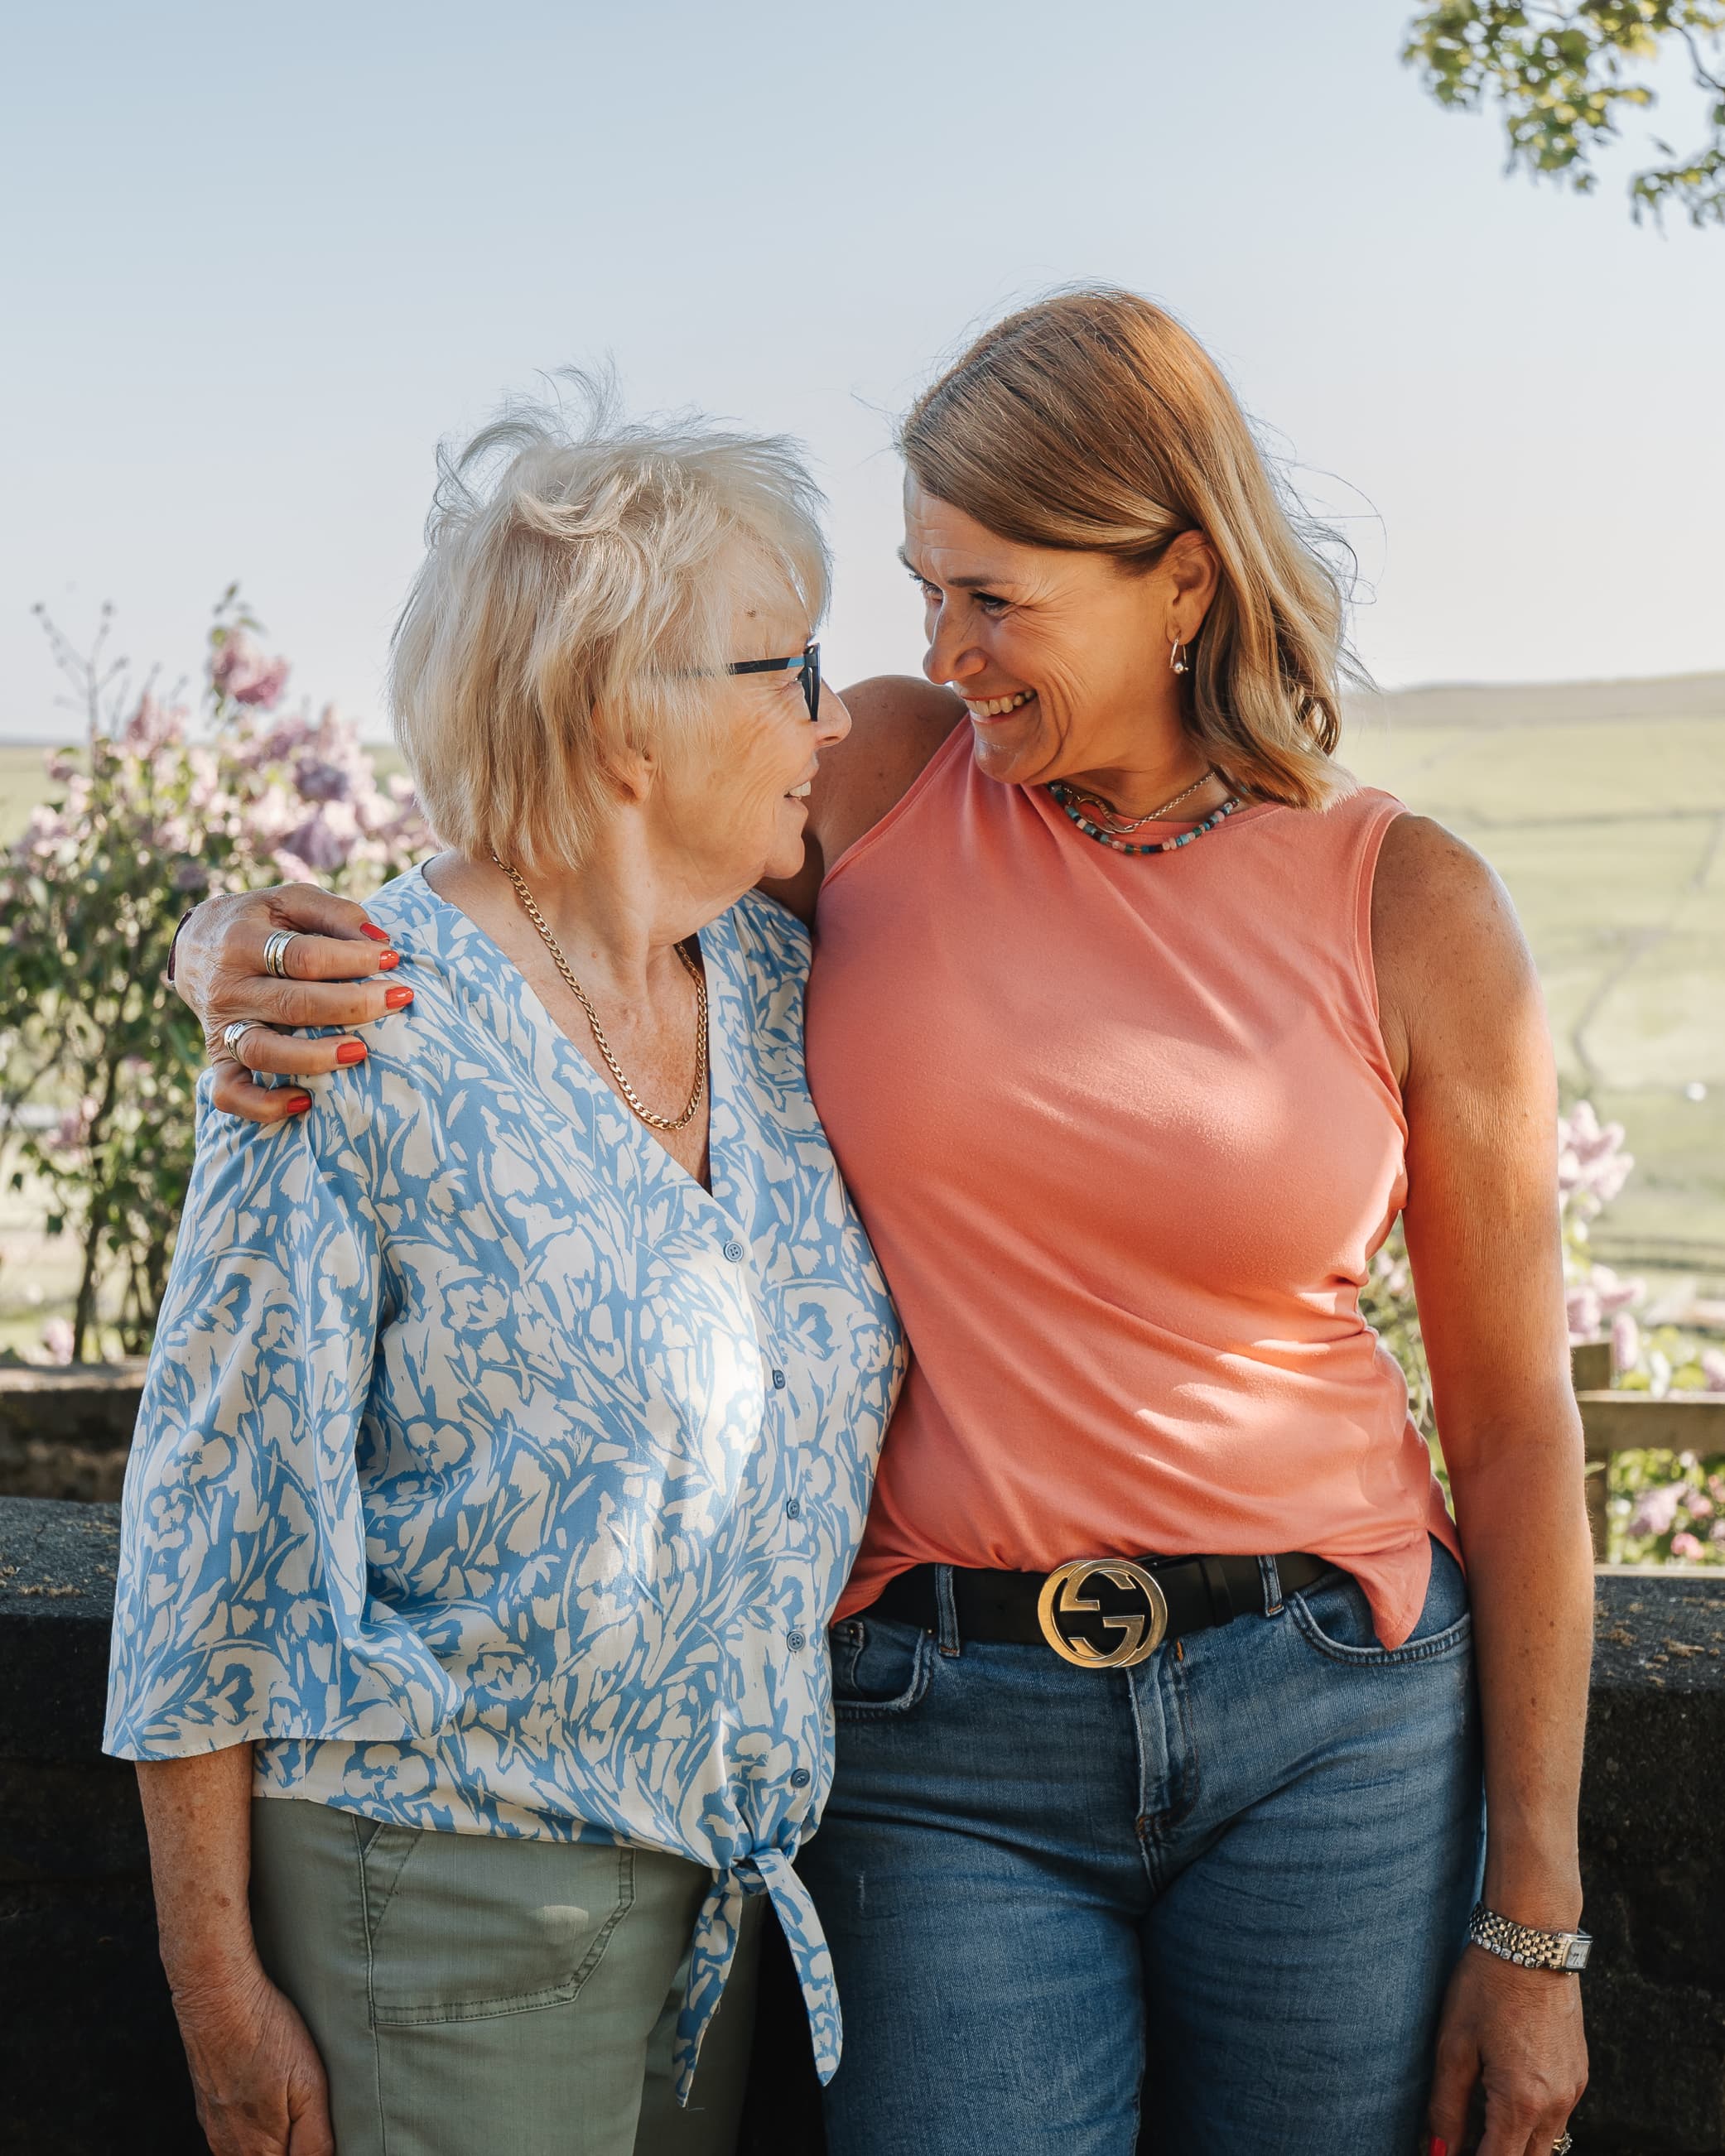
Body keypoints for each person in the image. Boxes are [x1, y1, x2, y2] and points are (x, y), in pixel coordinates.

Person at [171, 288, 1593, 2156]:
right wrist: (227, 941)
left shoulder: (1412, 904)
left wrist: (1537, 1916)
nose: (941, 649)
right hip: (936, 1729)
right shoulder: (894, 769)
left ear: (1179, 582)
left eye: (994, 597)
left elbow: (1512, 1431)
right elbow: (552, 820)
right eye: (922, 591)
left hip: (1327, 1719)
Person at [104, 387, 903, 2156]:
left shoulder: (772, 989)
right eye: (786, 669)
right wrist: (215, 1995)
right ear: (624, 715)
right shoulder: (348, 1018)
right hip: (436, 1904)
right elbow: (205, 1536)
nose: (833, 719)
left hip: (715, 1899)